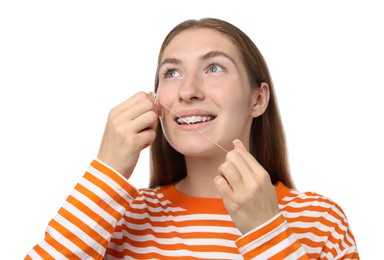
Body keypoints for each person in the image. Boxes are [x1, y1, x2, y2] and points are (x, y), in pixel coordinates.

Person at [25, 18, 359, 259]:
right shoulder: (118, 220)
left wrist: (266, 231)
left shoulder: (320, 221)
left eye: (214, 68)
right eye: (171, 72)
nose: (187, 91)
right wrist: (106, 171)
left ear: (257, 99)